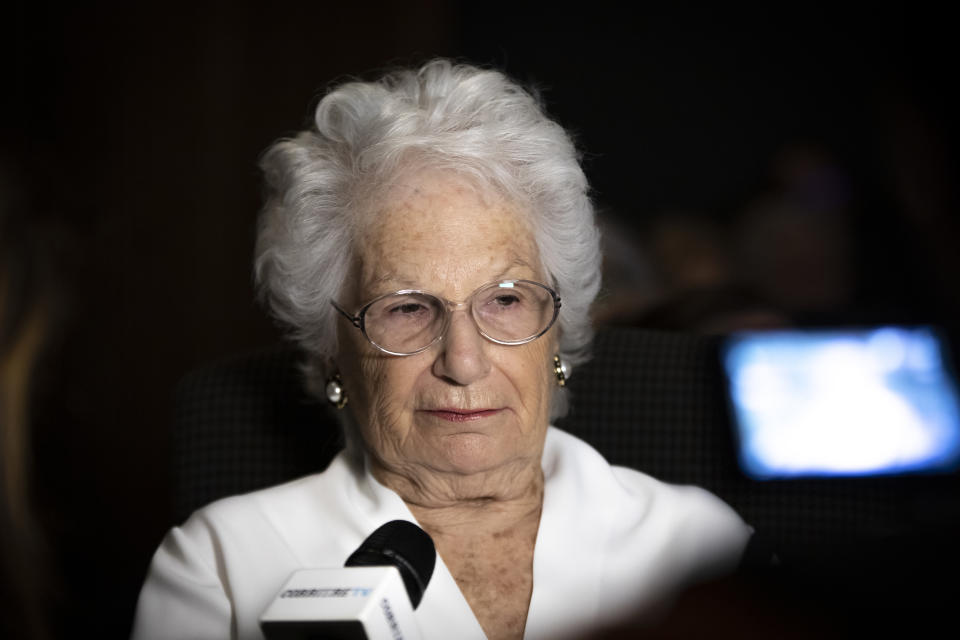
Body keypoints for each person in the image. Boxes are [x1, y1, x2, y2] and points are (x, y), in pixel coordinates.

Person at [131, 60, 750, 640]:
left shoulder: (697, 543)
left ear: (557, 330)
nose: (464, 361)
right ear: (330, 350)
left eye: (506, 300)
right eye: (405, 309)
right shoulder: (222, 563)